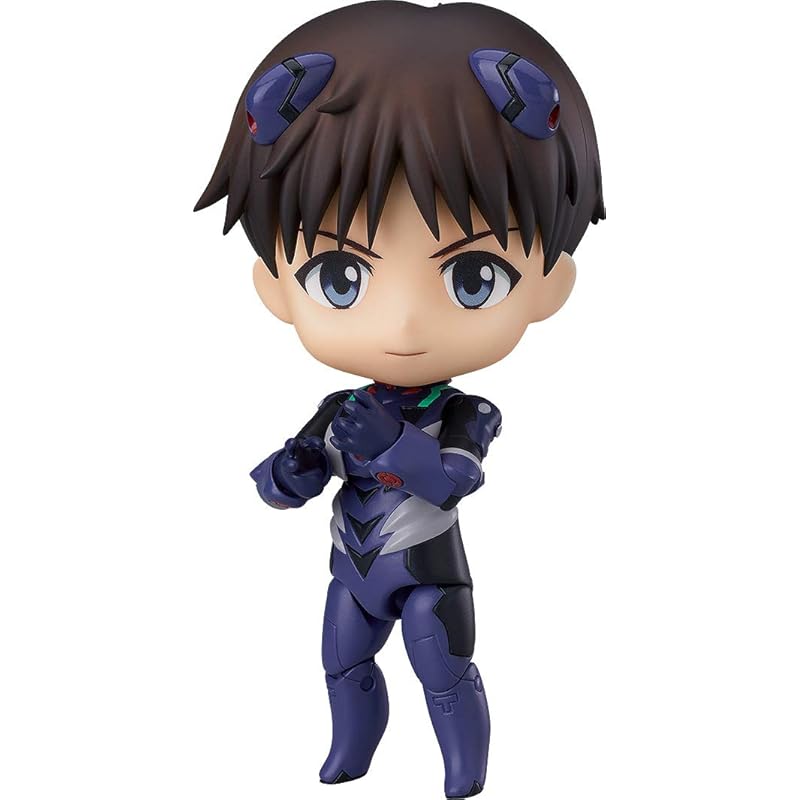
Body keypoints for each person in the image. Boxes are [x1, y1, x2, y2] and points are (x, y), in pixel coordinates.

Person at [195, 2, 604, 797]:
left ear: (549, 286)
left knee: (440, 666)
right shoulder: (338, 407)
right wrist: (290, 471)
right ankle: (350, 756)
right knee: (341, 663)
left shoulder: (466, 412)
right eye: (340, 277)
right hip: (351, 567)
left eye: (473, 277)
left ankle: (463, 771)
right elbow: (285, 483)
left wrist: (390, 444)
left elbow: (453, 480)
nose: (406, 324)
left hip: (429, 576)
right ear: (276, 288)